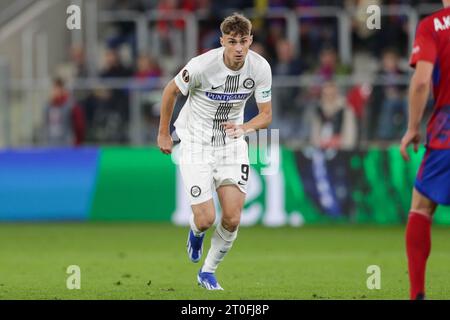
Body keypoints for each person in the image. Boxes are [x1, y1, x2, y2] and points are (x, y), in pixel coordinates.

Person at [157, 13, 272, 290]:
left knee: (232, 218)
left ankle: (207, 272)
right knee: (206, 218)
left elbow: (266, 115)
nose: (239, 48)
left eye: (244, 41)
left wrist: (244, 128)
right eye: (232, 42)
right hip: (196, 144)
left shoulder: (260, 68)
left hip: (232, 145)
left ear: (250, 40)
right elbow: (170, 91)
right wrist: (163, 132)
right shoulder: (202, 66)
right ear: (222, 41)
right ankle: (196, 232)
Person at [400, 0, 450, 300]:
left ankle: (417, 293)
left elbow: (420, 83)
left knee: (420, 208)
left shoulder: (433, 26)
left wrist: (413, 127)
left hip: (446, 131)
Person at [43, 78, 85, 146]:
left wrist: (78, 142)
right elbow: (45, 125)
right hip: (51, 144)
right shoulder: (48, 106)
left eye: (55, 89)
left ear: (62, 89)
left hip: (67, 144)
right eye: (52, 89)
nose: (53, 92)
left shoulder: (71, 105)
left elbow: (79, 125)